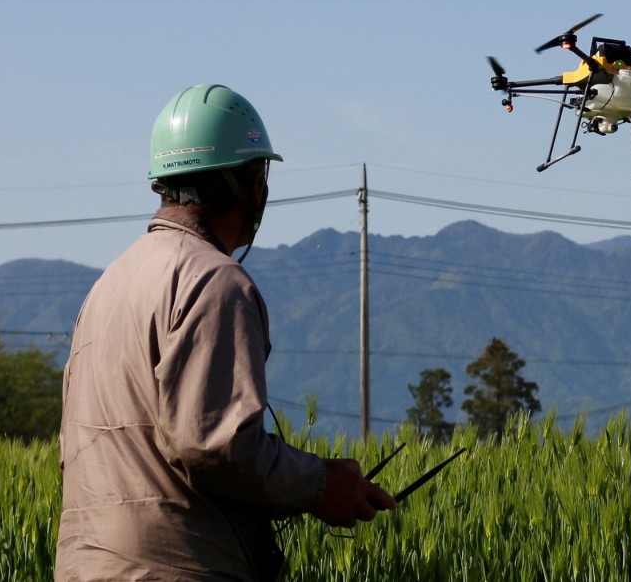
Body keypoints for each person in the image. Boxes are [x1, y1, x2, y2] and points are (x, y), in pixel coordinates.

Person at [55, 84, 396, 581]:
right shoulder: (213, 280)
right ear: (251, 182)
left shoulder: (110, 283)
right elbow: (215, 447)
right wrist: (321, 483)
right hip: (178, 568)